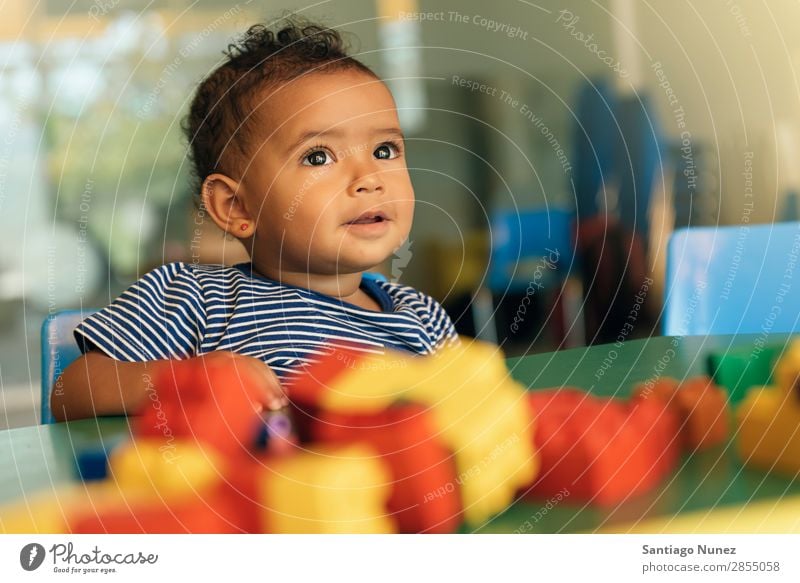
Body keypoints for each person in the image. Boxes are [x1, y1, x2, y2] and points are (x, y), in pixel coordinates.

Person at [54, 18, 458, 422]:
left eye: (385, 150)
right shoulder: (193, 300)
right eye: (318, 157)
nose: (369, 179)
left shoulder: (421, 316)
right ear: (236, 207)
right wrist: (185, 378)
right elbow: (71, 390)